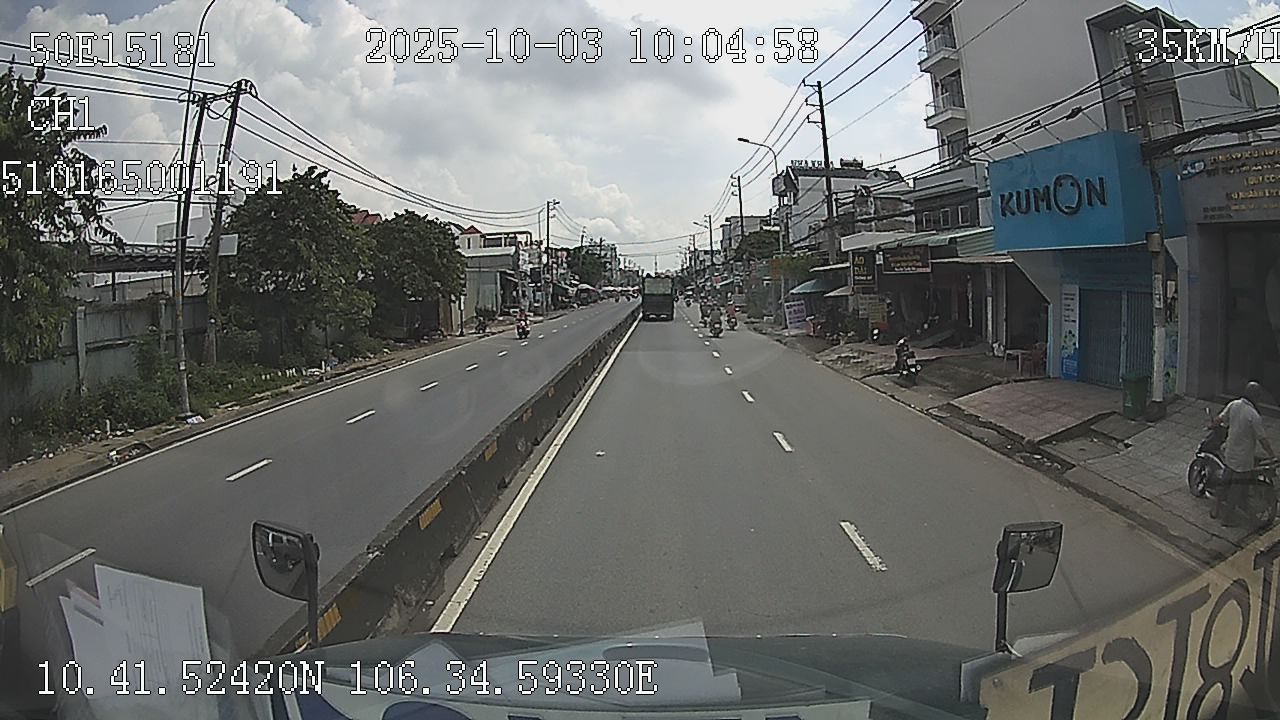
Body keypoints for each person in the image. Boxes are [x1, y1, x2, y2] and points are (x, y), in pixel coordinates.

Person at [1212, 381, 1277, 526]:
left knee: (1224, 483)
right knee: (1236, 489)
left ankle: (1215, 510)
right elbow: (1263, 440)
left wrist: (1212, 425)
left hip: (1230, 453)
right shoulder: (1253, 415)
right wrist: (1272, 455)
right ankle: (1227, 519)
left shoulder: (1233, 404)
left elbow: (1219, 419)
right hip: (1243, 460)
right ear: (1256, 397)